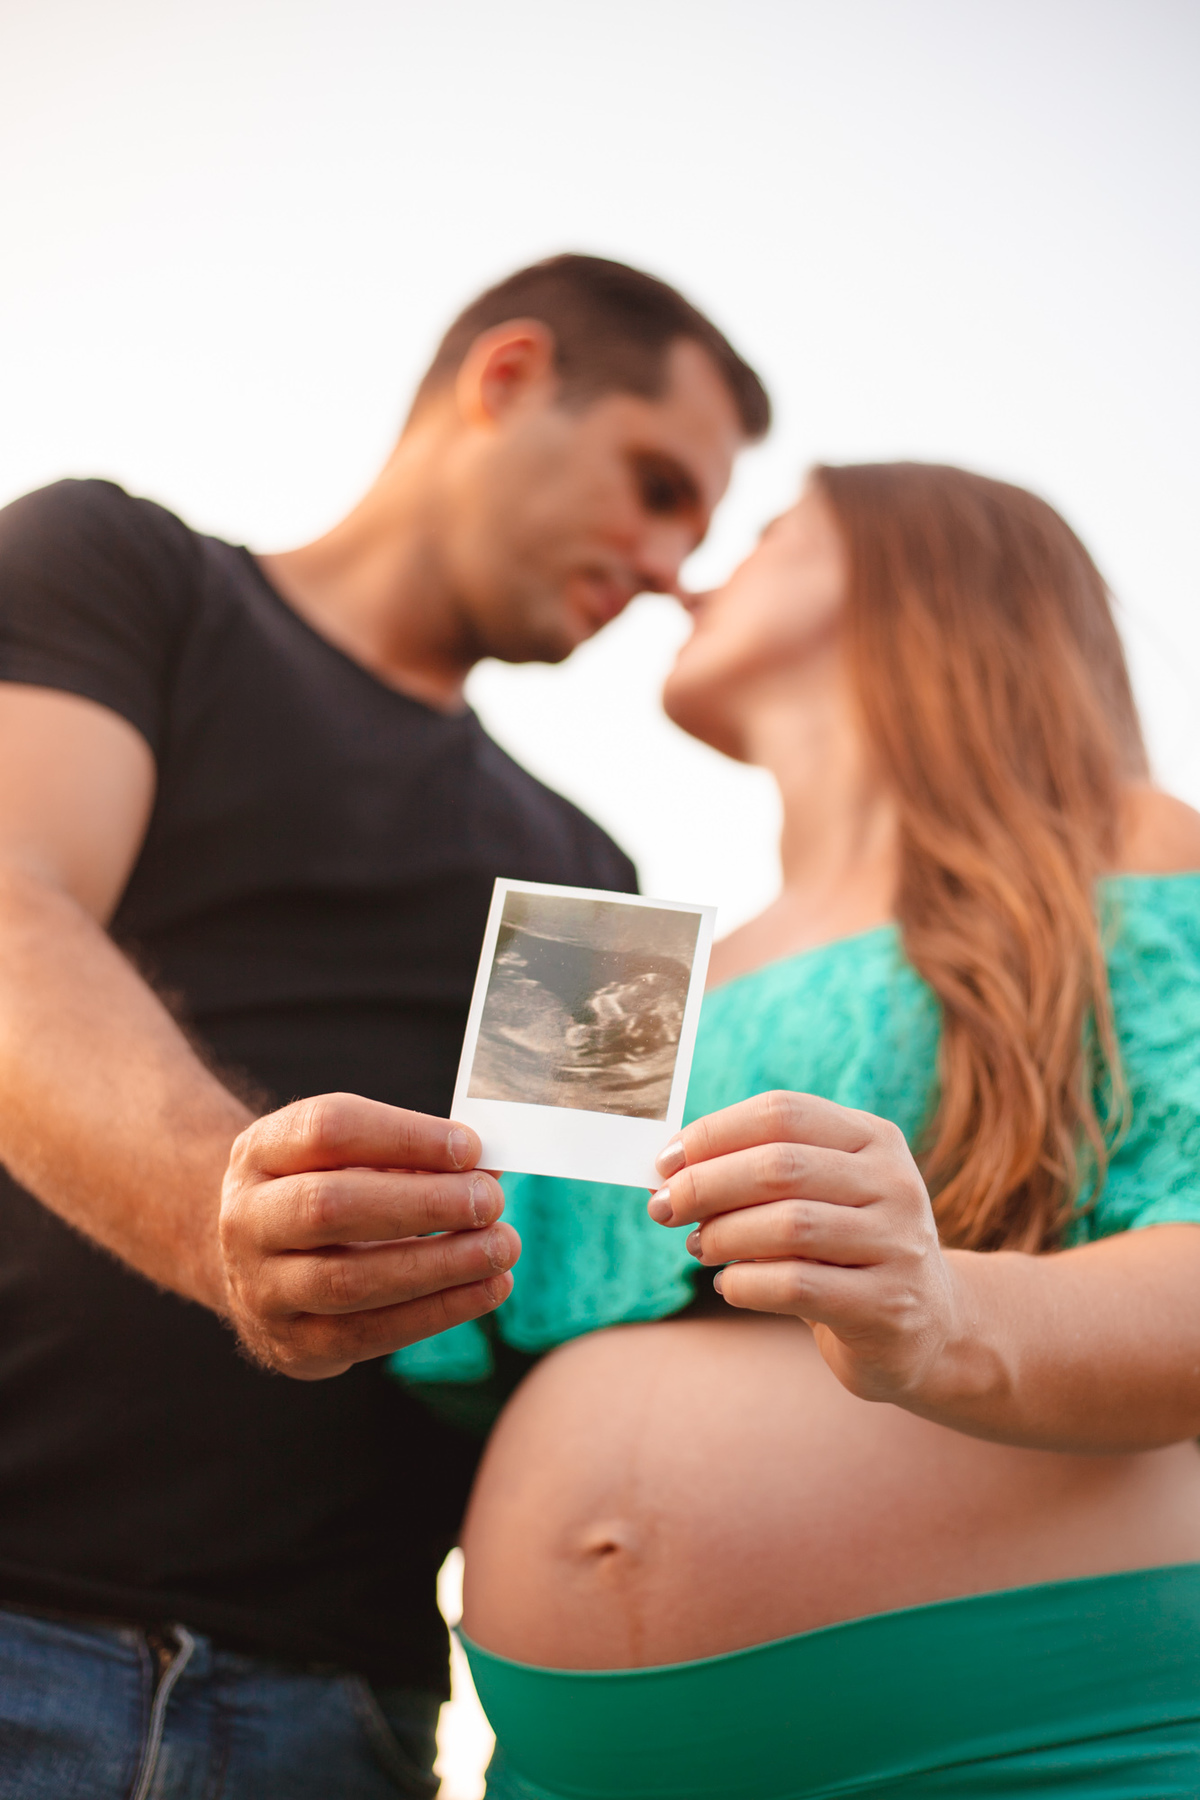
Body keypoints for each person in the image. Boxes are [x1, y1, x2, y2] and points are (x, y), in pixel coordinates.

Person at [0, 254, 768, 1797]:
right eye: (656, 485)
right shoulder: (118, 565)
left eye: (698, 531)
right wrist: (221, 1212)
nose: (670, 565)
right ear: (508, 376)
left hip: (337, 1710)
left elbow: (569, 1298)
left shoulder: (593, 877)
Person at [454, 463, 1200, 1797]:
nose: (685, 575)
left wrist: (947, 1315)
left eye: (766, 530)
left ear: (928, 566)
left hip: (1039, 1746)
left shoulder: (1131, 850)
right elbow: (465, 1338)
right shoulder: (599, 968)